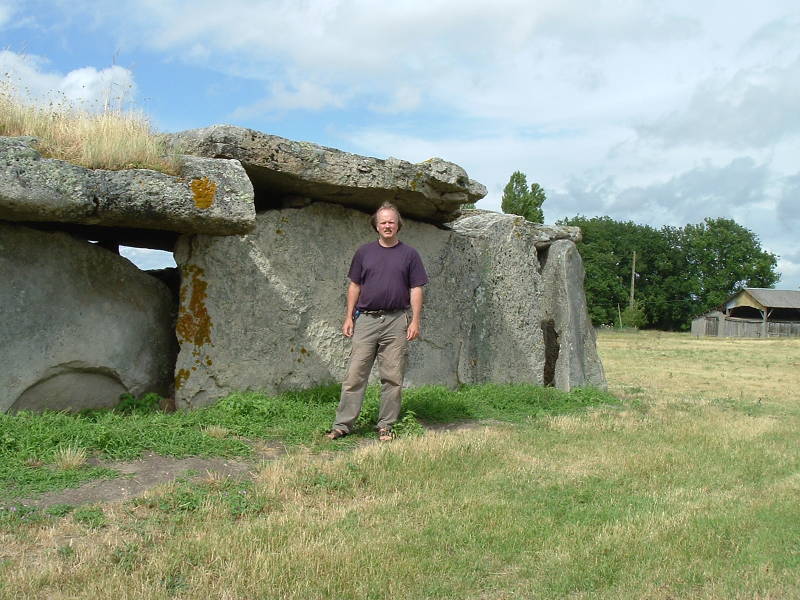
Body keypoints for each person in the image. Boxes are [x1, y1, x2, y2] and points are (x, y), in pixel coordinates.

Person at [326, 202, 428, 442]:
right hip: (366, 320)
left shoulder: (410, 255)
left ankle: (386, 425)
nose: (387, 225)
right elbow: (354, 286)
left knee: (392, 377)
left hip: (396, 321)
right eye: (383, 222)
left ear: (398, 225)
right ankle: (343, 425)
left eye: (391, 221)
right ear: (376, 226)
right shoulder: (364, 253)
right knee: (354, 375)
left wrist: (415, 321)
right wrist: (348, 316)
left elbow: (416, 288)